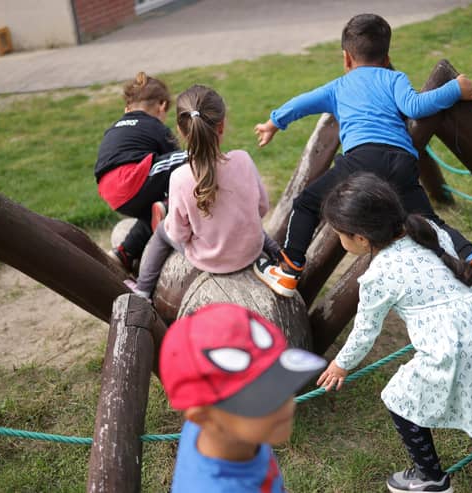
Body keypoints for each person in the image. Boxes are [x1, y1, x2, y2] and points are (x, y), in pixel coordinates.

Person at [253, 13, 472, 297]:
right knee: (428, 220)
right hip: (402, 162)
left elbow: (302, 103)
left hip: (362, 160)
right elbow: (415, 106)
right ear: (386, 58)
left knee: (307, 204)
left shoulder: (338, 86)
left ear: (346, 58)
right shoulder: (394, 78)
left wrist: (273, 123)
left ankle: (289, 270)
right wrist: (454, 88)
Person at [316, 173, 472, 493]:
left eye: (340, 234)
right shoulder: (428, 230)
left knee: (399, 399)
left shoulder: (379, 273)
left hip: (454, 347)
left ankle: (430, 477)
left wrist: (341, 363)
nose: (340, 240)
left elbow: (365, 330)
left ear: (361, 238)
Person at [128, 84, 280, 298]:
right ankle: (274, 250)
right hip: (250, 252)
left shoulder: (180, 178)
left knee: (163, 231)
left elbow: (179, 234)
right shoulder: (243, 159)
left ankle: (143, 289)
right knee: (241, 216)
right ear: (222, 125)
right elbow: (262, 208)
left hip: (211, 259)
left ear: (181, 131)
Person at [160, 303, 327, 492]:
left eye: (282, 382)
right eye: (262, 399)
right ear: (204, 418)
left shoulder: (240, 435)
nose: (287, 405)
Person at [93, 71, 188, 271]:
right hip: (130, 179)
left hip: (111, 192)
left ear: (127, 108)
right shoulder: (154, 125)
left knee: (154, 213)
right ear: (161, 106)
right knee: (190, 159)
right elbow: (181, 171)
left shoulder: (114, 127)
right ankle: (173, 208)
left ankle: (123, 254)